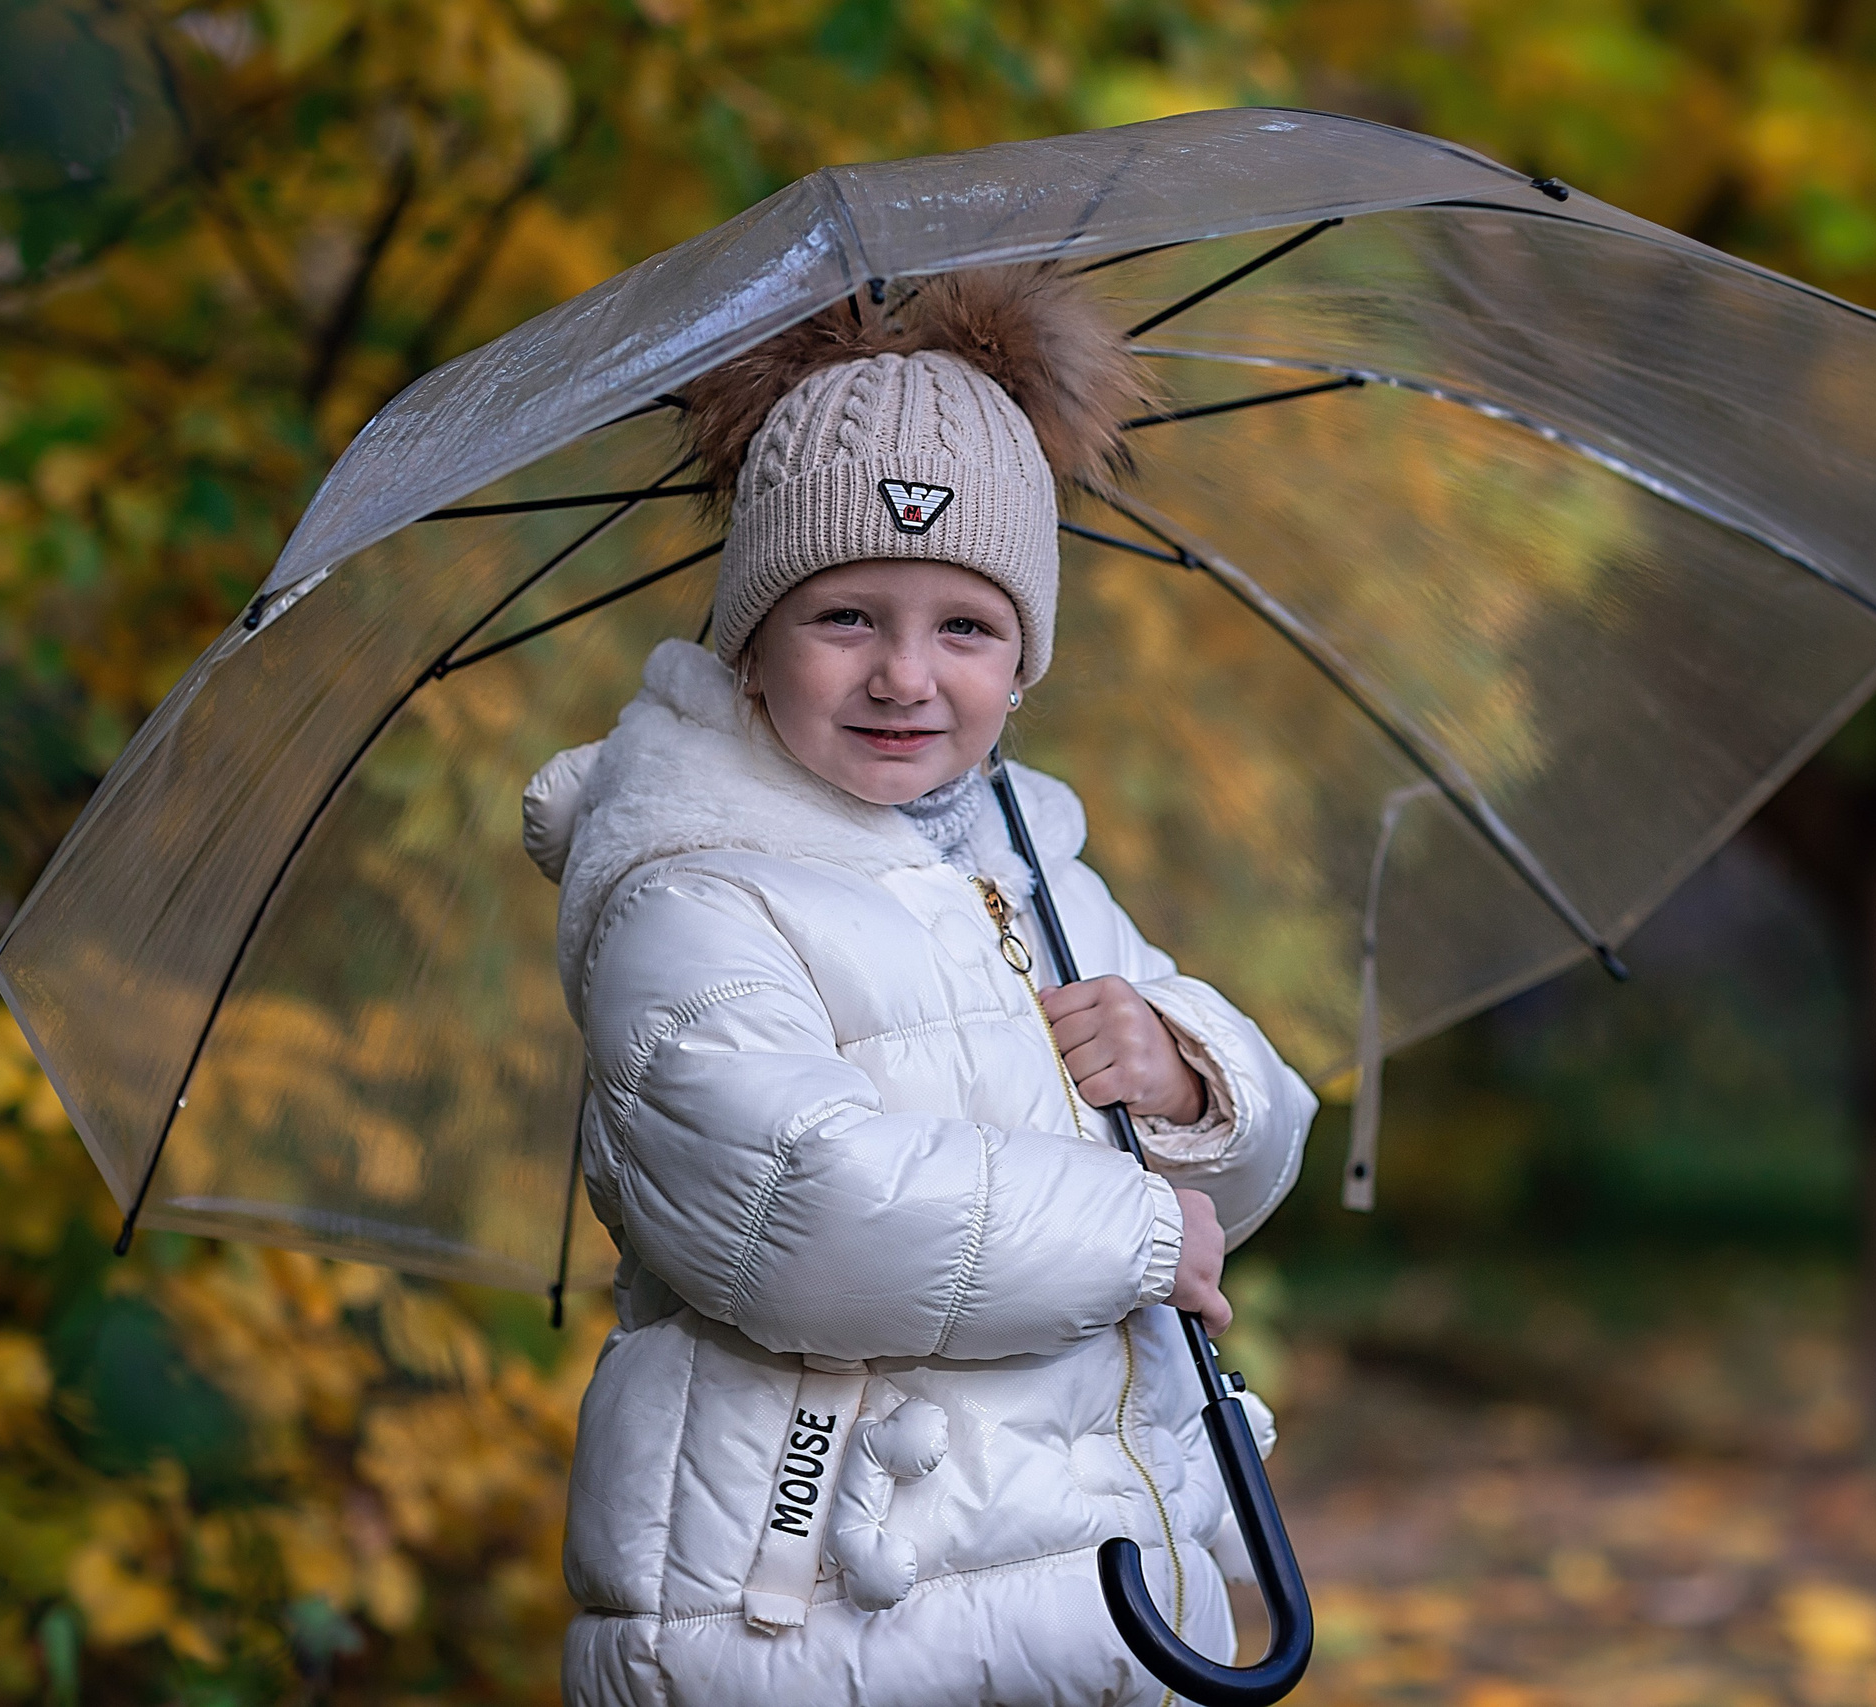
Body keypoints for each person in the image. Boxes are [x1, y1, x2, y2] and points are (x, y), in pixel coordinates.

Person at [520, 266, 1317, 1707]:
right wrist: (1142, 1232)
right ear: (752, 641)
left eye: (966, 628)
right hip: (804, 1606)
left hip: (1098, 1589)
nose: (905, 675)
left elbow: (1238, 1187)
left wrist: (1191, 1078)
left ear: (1025, 664)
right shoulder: (690, 894)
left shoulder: (1036, 875)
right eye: (845, 618)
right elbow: (803, 1211)